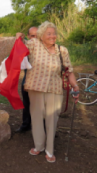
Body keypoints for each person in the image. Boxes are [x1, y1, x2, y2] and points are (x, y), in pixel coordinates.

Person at [16, 21, 79, 163]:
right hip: (35, 87)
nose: (52, 36)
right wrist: (18, 37)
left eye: (54, 33)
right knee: (37, 117)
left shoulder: (62, 50)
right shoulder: (33, 44)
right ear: (41, 35)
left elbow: (69, 71)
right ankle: (38, 146)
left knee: (52, 118)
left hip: (55, 88)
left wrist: (75, 86)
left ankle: (50, 150)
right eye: (49, 33)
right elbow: (18, 47)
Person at [16, 27, 38, 133]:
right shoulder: (26, 46)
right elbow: (18, 46)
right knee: (26, 104)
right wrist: (18, 38)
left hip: (41, 82)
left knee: (42, 106)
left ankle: (45, 128)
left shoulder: (46, 48)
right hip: (27, 79)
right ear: (28, 36)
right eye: (32, 36)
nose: (35, 39)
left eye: (37, 36)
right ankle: (26, 125)